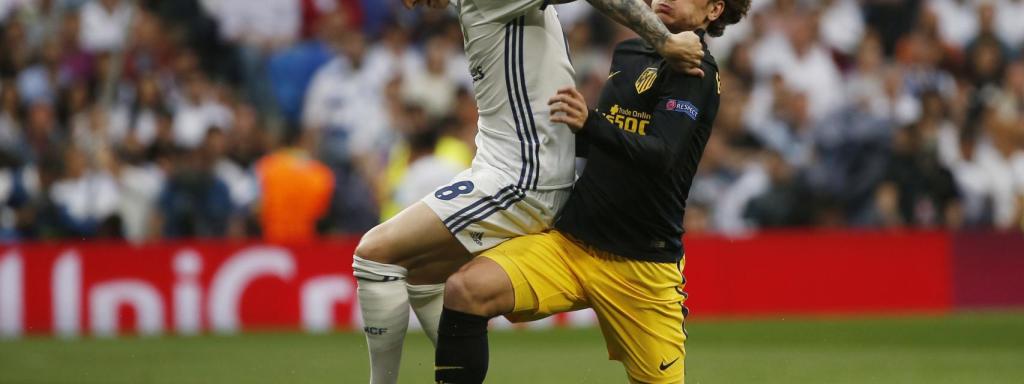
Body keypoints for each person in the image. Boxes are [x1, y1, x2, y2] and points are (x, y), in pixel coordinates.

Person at [353, 0, 709, 383]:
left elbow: (663, 154)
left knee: (374, 255)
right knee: (434, 277)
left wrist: (663, 39)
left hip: (525, 180)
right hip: (558, 215)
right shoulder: (625, 53)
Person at [432, 0, 750, 382]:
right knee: (465, 289)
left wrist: (590, 125)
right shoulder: (629, 52)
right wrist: (563, 131)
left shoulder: (696, 72)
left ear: (713, 10)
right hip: (572, 243)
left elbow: (662, 155)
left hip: (643, 268)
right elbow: (605, 141)